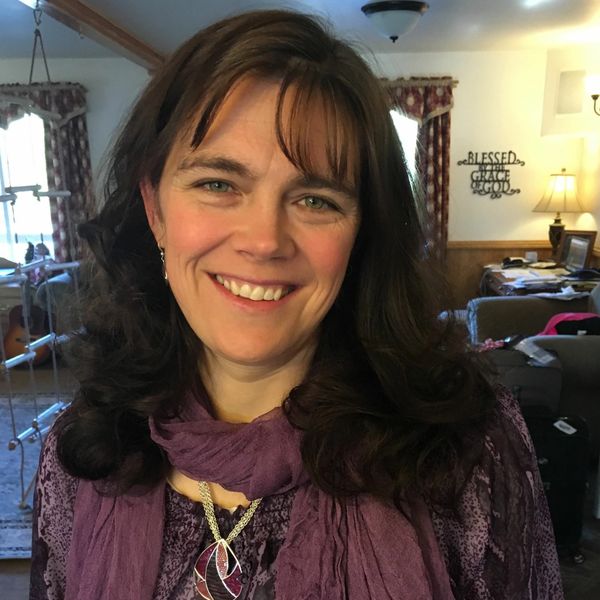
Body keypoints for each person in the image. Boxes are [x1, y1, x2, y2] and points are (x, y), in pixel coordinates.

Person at [30, 9, 563, 600]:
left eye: (315, 199)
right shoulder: (83, 450)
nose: (264, 241)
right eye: (218, 184)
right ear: (156, 210)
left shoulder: (469, 451)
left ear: (361, 232)